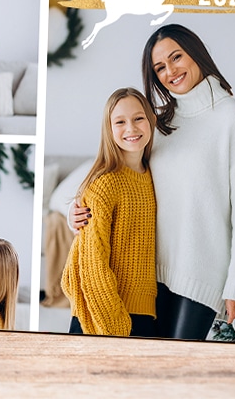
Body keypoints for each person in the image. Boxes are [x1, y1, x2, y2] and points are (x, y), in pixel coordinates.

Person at [71, 24, 235, 340]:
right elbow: (118, 177)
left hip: (201, 274)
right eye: (160, 67)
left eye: (176, 57)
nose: (170, 71)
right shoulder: (159, 123)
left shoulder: (233, 118)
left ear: (196, 53)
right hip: (148, 277)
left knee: (176, 367)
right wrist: (75, 215)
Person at [61, 87, 158, 337]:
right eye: (120, 122)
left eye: (138, 118)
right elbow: (92, 263)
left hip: (142, 312)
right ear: (109, 129)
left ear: (150, 120)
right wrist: (114, 327)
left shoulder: (151, 174)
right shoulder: (106, 184)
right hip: (105, 316)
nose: (131, 128)